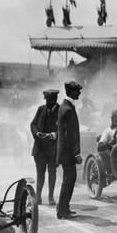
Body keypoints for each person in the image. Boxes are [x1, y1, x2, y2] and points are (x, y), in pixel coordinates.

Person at [56, 81, 83, 219]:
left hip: (64, 151)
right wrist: (76, 153)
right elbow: (70, 135)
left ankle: (63, 207)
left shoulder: (64, 107)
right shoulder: (68, 109)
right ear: (71, 92)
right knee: (69, 179)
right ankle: (62, 210)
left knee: (69, 179)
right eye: (77, 91)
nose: (79, 93)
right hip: (68, 153)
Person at [30, 89, 60, 206]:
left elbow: (64, 128)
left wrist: (53, 135)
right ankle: (38, 197)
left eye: (49, 100)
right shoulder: (41, 109)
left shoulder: (60, 111)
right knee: (40, 173)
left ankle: (51, 197)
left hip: (53, 148)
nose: (47, 102)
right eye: (46, 100)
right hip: (40, 148)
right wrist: (37, 133)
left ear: (55, 99)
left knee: (52, 173)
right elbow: (33, 124)